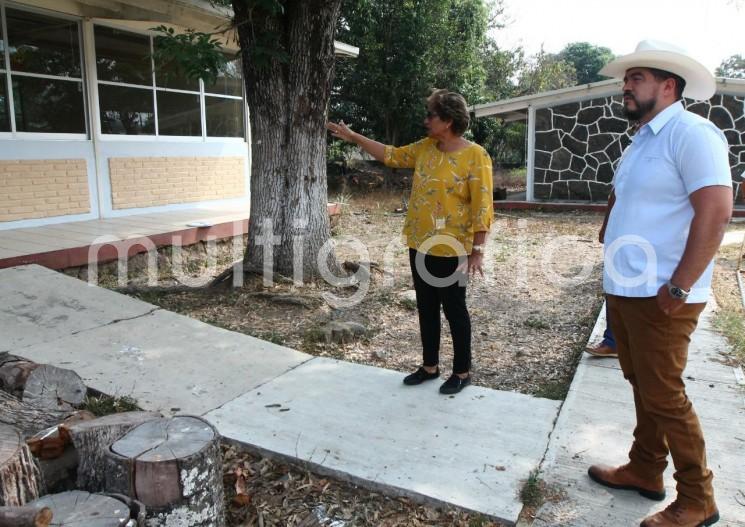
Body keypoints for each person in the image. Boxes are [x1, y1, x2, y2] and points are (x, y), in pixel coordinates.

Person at [587, 40, 732, 527]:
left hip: (663, 293)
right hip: (627, 286)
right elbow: (625, 193)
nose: (626, 86)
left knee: (664, 393)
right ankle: (646, 469)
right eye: (626, 79)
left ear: (668, 86)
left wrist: (681, 285)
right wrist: (610, 225)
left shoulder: (693, 134)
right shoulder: (643, 139)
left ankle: (698, 498)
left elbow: (716, 210)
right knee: (643, 384)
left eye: (637, 78)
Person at [327, 89, 493, 395]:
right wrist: (354, 137)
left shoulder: (475, 155)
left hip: (453, 247)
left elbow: (481, 205)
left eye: (431, 115)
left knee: (454, 309)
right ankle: (430, 366)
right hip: (419, 242)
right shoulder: (425, 148)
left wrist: (477, 250)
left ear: (447, 120)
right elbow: (391, 155)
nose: (425, 120)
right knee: (426, 306)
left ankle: (462, 370)